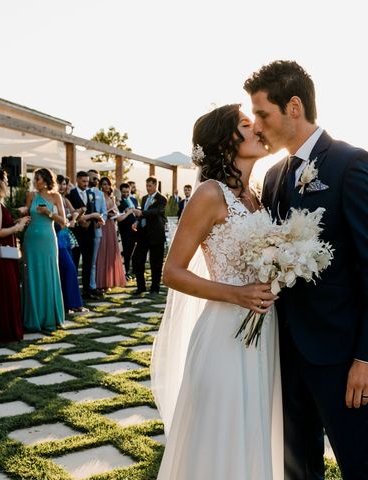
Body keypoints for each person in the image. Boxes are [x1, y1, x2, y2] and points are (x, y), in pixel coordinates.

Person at [248, 60, 368, 480]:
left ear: (293, 106)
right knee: (297, 467)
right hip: (284, 350)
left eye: (263, 113)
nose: (257, 125)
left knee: (359, 467)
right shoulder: (275, 175)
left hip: (340, 354)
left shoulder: (352, 164)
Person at [151, 104, 280, 479]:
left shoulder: (257, 195)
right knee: (222, 437)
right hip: (225, 334)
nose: (257, 127)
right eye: (246, 123)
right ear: (227, 142)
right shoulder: (210, 194)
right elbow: (171, 272)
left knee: (254, 431)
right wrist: (236, 294)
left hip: (263, 333)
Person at [0, 168, 28, 342]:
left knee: (5, 288)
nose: (8, 183)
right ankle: (1, 329)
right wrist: (17, 228)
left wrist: (16, 222)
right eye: (5, 180)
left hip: (2, 253)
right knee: (2, 289)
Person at [22, 168, 66, 332]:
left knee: (48, 275)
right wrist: (21, 213)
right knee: (31, 276)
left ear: (47, 180)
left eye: (38, 179)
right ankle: (32, 319)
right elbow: (27, 215)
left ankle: (49, 317)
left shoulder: (56, 197)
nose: (35, 182)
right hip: (31, 239)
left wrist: (48, 212)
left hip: (48, 239)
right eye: (35, 179)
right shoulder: (31, 196)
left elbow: (64, 222)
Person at [66, 171, 104, 299]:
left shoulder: (91, 193)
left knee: (88, 263)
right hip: (76, 234)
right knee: (75, 263)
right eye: (83, 181)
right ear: (77, 180)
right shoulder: (70, 194)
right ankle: (74, 291)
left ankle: (87, 291)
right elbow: (71, 213)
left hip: (90, 233)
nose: (86, 184)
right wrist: (82, 221)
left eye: (87, 182)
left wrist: (93, 221)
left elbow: (93, 210)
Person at [132, 177, 167, 294]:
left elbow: (156, 212)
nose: (148, 188)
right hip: (143, 235)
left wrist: (142, 213)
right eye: (147, 186)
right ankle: (140, 287)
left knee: (155, 263)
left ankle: (155, 288)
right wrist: (137, 220)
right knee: (137, 260)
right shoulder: (144, 198)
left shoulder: (161, 199)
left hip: (156, 235)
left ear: (155, 185)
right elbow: (143, 214)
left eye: (150, 186)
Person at [56, 175, 85, 313]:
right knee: (68, 269)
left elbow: (75, 212)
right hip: (56, 236)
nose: (63, 187)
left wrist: (73, 218)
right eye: (60, 184)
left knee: (69, 269)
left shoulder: (65, 199)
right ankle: (68, 304)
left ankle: (72, 304)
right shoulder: (53, 199)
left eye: (65, 184)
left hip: (66, 237)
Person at [95, 177, 127, 290]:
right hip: (102, 226)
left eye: (108, 184)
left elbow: (118, 217)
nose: (106, 186)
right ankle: (100, 282)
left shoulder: (111, 198)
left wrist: (127, 213)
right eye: (104, 184)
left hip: (111, 227)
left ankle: (109, 280)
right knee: (102, 252)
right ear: (100, 185)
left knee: (111, 252)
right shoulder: (98, 197)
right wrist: (106, 214)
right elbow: (98, 212)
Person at [87, 169, 107, 295]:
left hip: (96, 230)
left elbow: (104, 212)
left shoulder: (100, 194)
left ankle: (92, 286)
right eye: (93, 178)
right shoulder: (83, 192)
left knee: (93, 261)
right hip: (83, 230)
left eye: (97, 178)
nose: (96, 181)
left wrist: (102, 221)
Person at [117, 182, 138, 278]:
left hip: (135, 227)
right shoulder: (119, 202)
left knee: (133, 250)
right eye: (123, 192)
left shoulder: (134, 200)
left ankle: (133, 270)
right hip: (124, 228)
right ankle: (126, 271)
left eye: (127, 192)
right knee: (126, 250)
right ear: (120, 192)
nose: (125, 194)